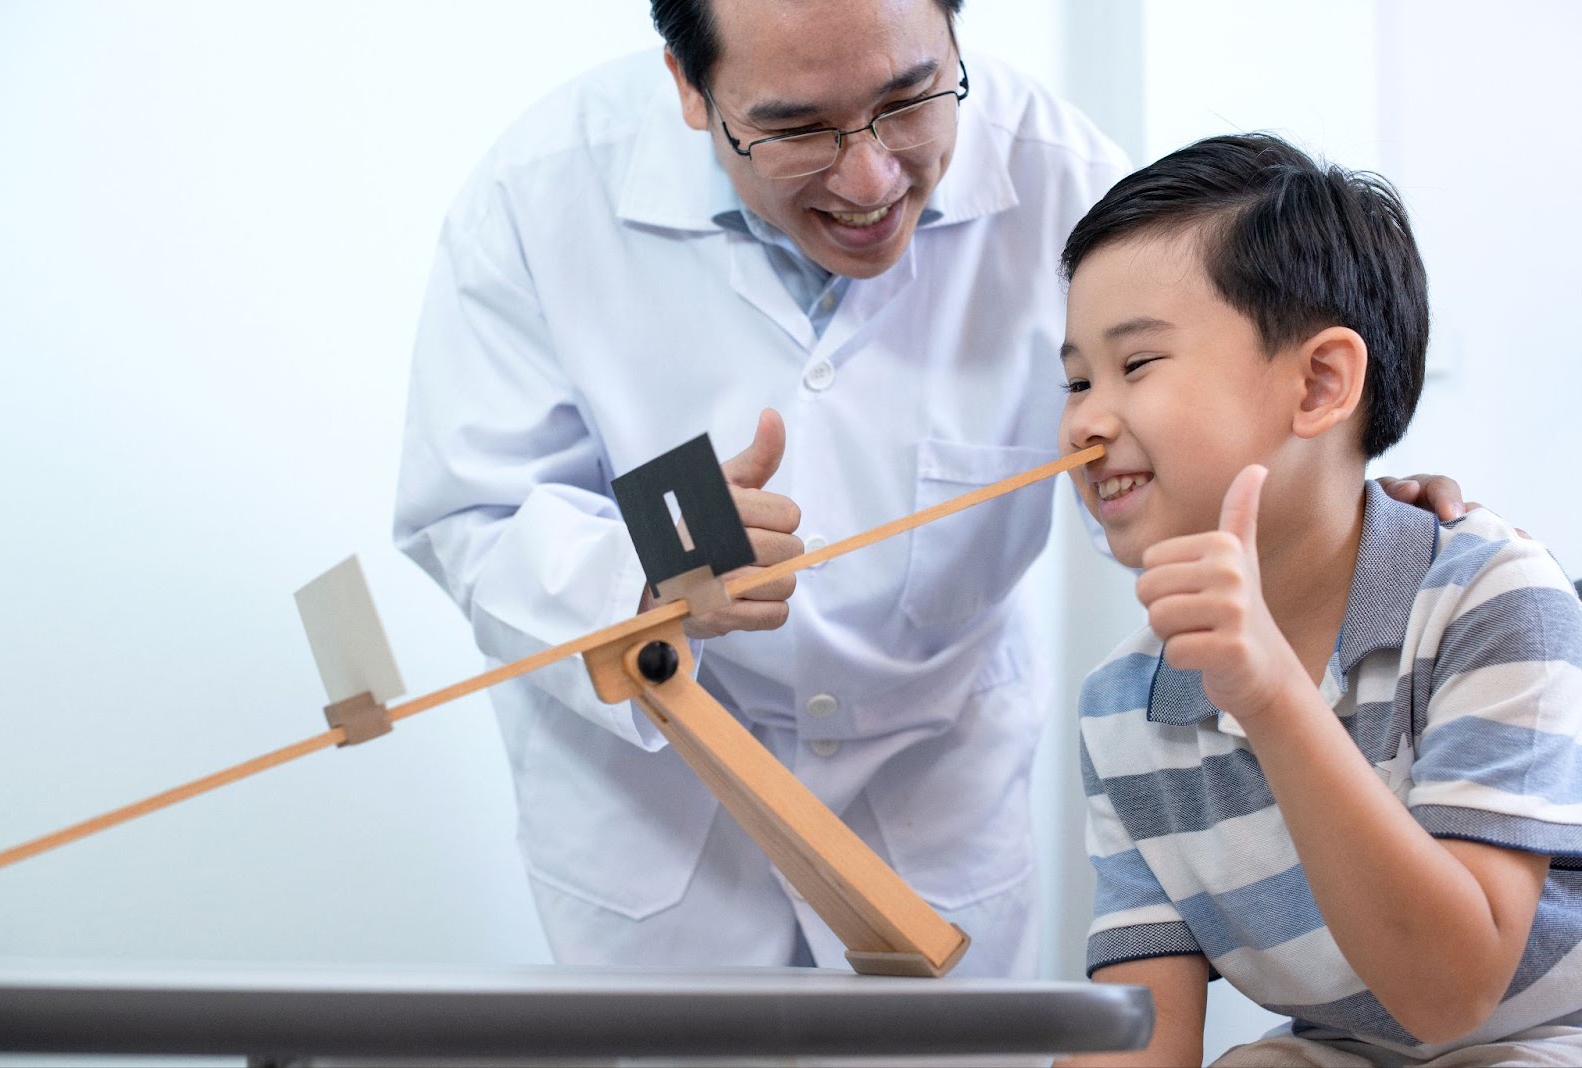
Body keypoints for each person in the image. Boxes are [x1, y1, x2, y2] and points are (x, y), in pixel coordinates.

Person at [393, 0, 1468, 978]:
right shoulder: (538, 195)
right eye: (799, 128)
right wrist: (641, 580)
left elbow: (1210, 409)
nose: (869, 181)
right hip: (665, 802)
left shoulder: (1063, 179)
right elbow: (471, 509)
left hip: (935, 777)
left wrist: (1341, 507)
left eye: (909, 101)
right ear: (687, 85)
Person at [1057, 134, 1582, 1065]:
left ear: (1322, 382)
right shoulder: (1120, 704)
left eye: (1136, 366)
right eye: (1076, 380)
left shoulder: (1495, 599)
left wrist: (1269, 696)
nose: (1087, 424)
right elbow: (1141, 1038)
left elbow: (1450, 994)